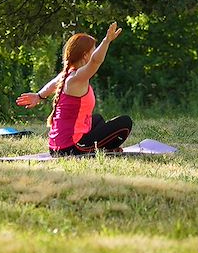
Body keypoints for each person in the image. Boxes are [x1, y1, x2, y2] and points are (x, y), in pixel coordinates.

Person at [16, 22, 133, 156]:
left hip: (57, 147)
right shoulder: (77, 78)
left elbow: (52, 84)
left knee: (98, 119)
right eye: (93, 50)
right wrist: (106, 41)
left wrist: (39, 96)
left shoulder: (67, 74)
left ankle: (100, 147)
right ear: (84, 55)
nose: (95, 52)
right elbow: (96, 61)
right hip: (70, 148)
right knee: (125, 123)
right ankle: (103, 149)